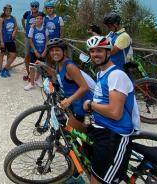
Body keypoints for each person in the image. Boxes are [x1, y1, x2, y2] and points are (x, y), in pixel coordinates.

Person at [82, 36, 140, 184]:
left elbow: (115, 113)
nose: (95, 54)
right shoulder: (101, 73)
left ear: (109, 52)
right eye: (92, 51)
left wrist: (90, 105)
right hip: (101, 128)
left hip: (114, 134)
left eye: (100, 51)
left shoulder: (116, 75)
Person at [35, 38, 95, 131]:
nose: (54, 53)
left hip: (83, 108)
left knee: (71, 132)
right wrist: (45, 66)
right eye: (51, 51)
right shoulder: (59, 63)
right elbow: (58, 75)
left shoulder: (70, 66)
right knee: (82, 133)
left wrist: (69, 100)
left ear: (64, 51)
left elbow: (84, 87)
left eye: (57, 50)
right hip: (76, 105)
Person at [21, 1, 45, 81]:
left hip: (38, 38)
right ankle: (28, 73)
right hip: (28, 37)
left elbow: (44, 23)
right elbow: (22, 20)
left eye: (36, 6)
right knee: (27, 55)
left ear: (38, 7)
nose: (34, 7)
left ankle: (38, 74)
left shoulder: (41, 14)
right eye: (32, 6)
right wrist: (25, 29)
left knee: (39, 55)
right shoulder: (27, 13)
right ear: (30, 6)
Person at [25, 15, 48, 90]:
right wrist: (35, 51)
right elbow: (30, 40)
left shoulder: (45, 29)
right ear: (35, 20)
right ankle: (31, 83)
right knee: (32, 67)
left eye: (41, 19)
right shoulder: (32, 28)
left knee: (40, 66)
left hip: (43, 51)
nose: (39, 20)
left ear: (42, 20)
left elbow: (47, 41)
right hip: (34, 51)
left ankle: (37, 79)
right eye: (37, 18)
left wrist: (45, 51)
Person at [0, 4, 18, 78]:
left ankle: (5, 68)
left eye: (10, 10)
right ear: (4, 10)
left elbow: (15, 26)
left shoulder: (13, 18)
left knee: (13, 55)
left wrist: (14, 32)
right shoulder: (2, 19)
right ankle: (0, 69)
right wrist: (1, 41)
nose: (8, 11)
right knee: (1, 55)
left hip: (10, 40)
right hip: (3, 40)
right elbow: (0, 30)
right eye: (7, 10)